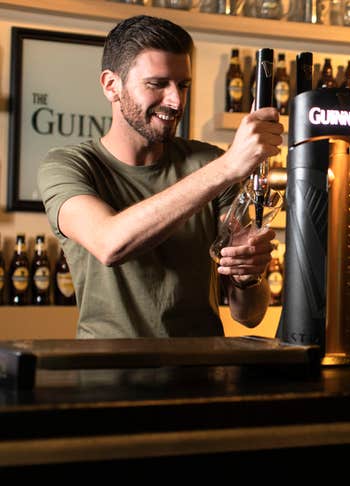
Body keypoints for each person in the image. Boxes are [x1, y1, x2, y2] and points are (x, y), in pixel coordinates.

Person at [38, 15, 282, 338]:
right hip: (108, 378)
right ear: (112, 85)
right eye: (157, 84)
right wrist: (227, 167)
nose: (176, 101)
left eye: (182, 85)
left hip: (200, 378)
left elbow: (248, 314)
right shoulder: (68, 166)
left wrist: (247, 276)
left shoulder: (207, 162)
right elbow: (110, 243)